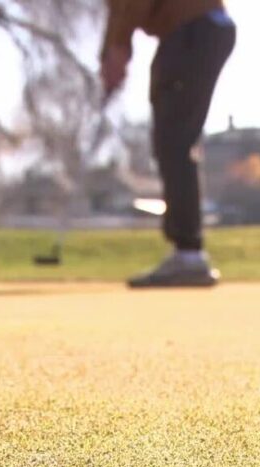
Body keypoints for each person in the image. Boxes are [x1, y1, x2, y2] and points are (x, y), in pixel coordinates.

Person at [101, 0, 236, 288]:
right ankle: (187, 252)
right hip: (203, 29)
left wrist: (117, 47)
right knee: (174, 139)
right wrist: (113, 49)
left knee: (174, 140)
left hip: (193, 29)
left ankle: (188, 255)